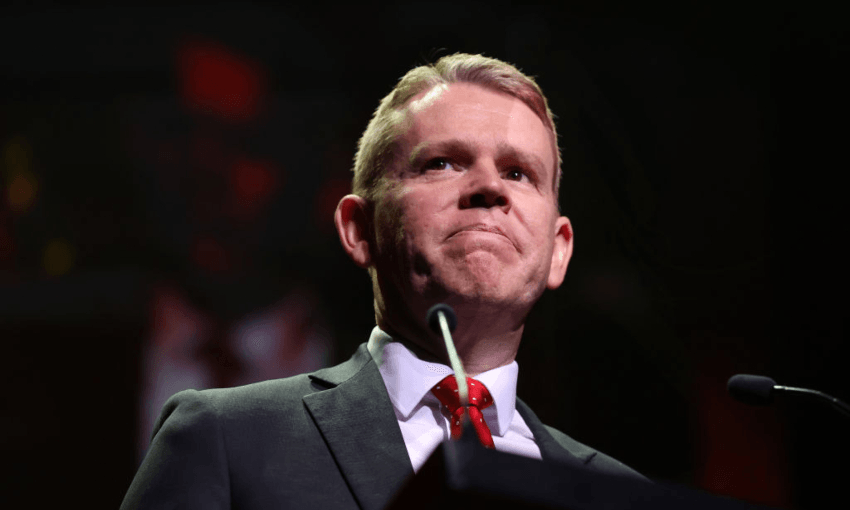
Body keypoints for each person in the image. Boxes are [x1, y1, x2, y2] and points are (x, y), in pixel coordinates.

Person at [120, 53, 644, 510]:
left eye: (518, 173)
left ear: (559, 250)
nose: (488, 186)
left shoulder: (619, 494)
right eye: (442, 162)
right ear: (359, 229)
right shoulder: (227, 440)